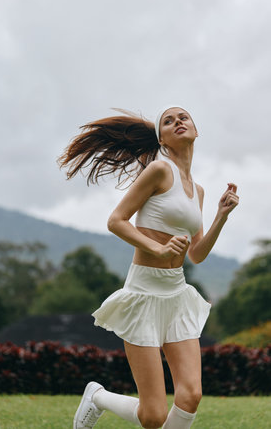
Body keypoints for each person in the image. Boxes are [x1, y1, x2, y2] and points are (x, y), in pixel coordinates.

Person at [58, 106, 239, 429]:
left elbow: (196, 254)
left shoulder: (197, 189)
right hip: (144, 292)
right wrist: (157, 246)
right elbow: (116, 220)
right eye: (168, 121)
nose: (178, 122)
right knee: (153, 415)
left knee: (191, 394)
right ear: (162, 140)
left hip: (176, 293)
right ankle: (97, 396)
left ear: (196, 130)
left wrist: (221, 216)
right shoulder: (159, 170)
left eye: (183, 117)